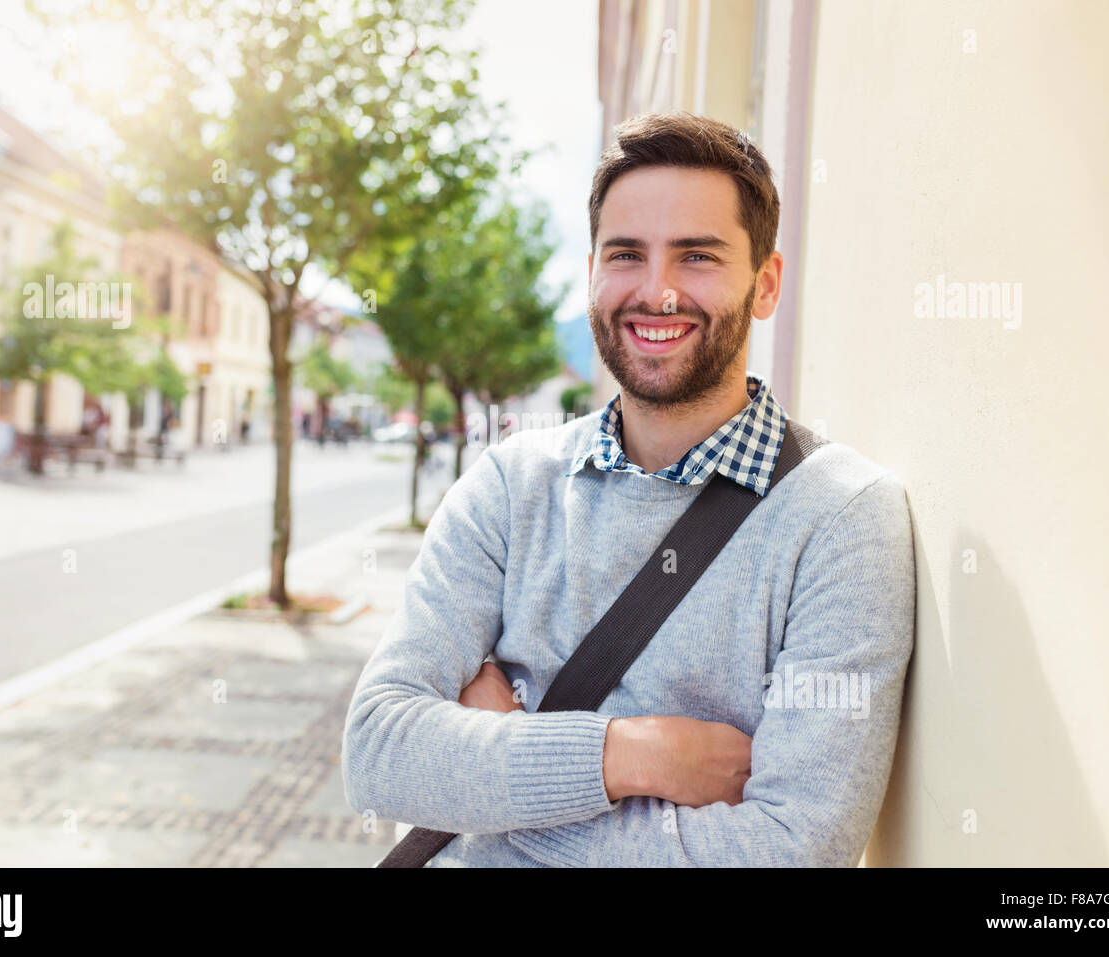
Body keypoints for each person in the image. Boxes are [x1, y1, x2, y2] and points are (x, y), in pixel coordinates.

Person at [342, 112, 916, 867]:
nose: (657, 292)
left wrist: (495, 778)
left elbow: (788, 851)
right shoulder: (509, 487)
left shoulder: (842, 517)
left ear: (766, 283)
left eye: (697, 257)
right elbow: (380, 753)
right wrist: (633, 754)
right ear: (592, 274)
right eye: (626, 254)